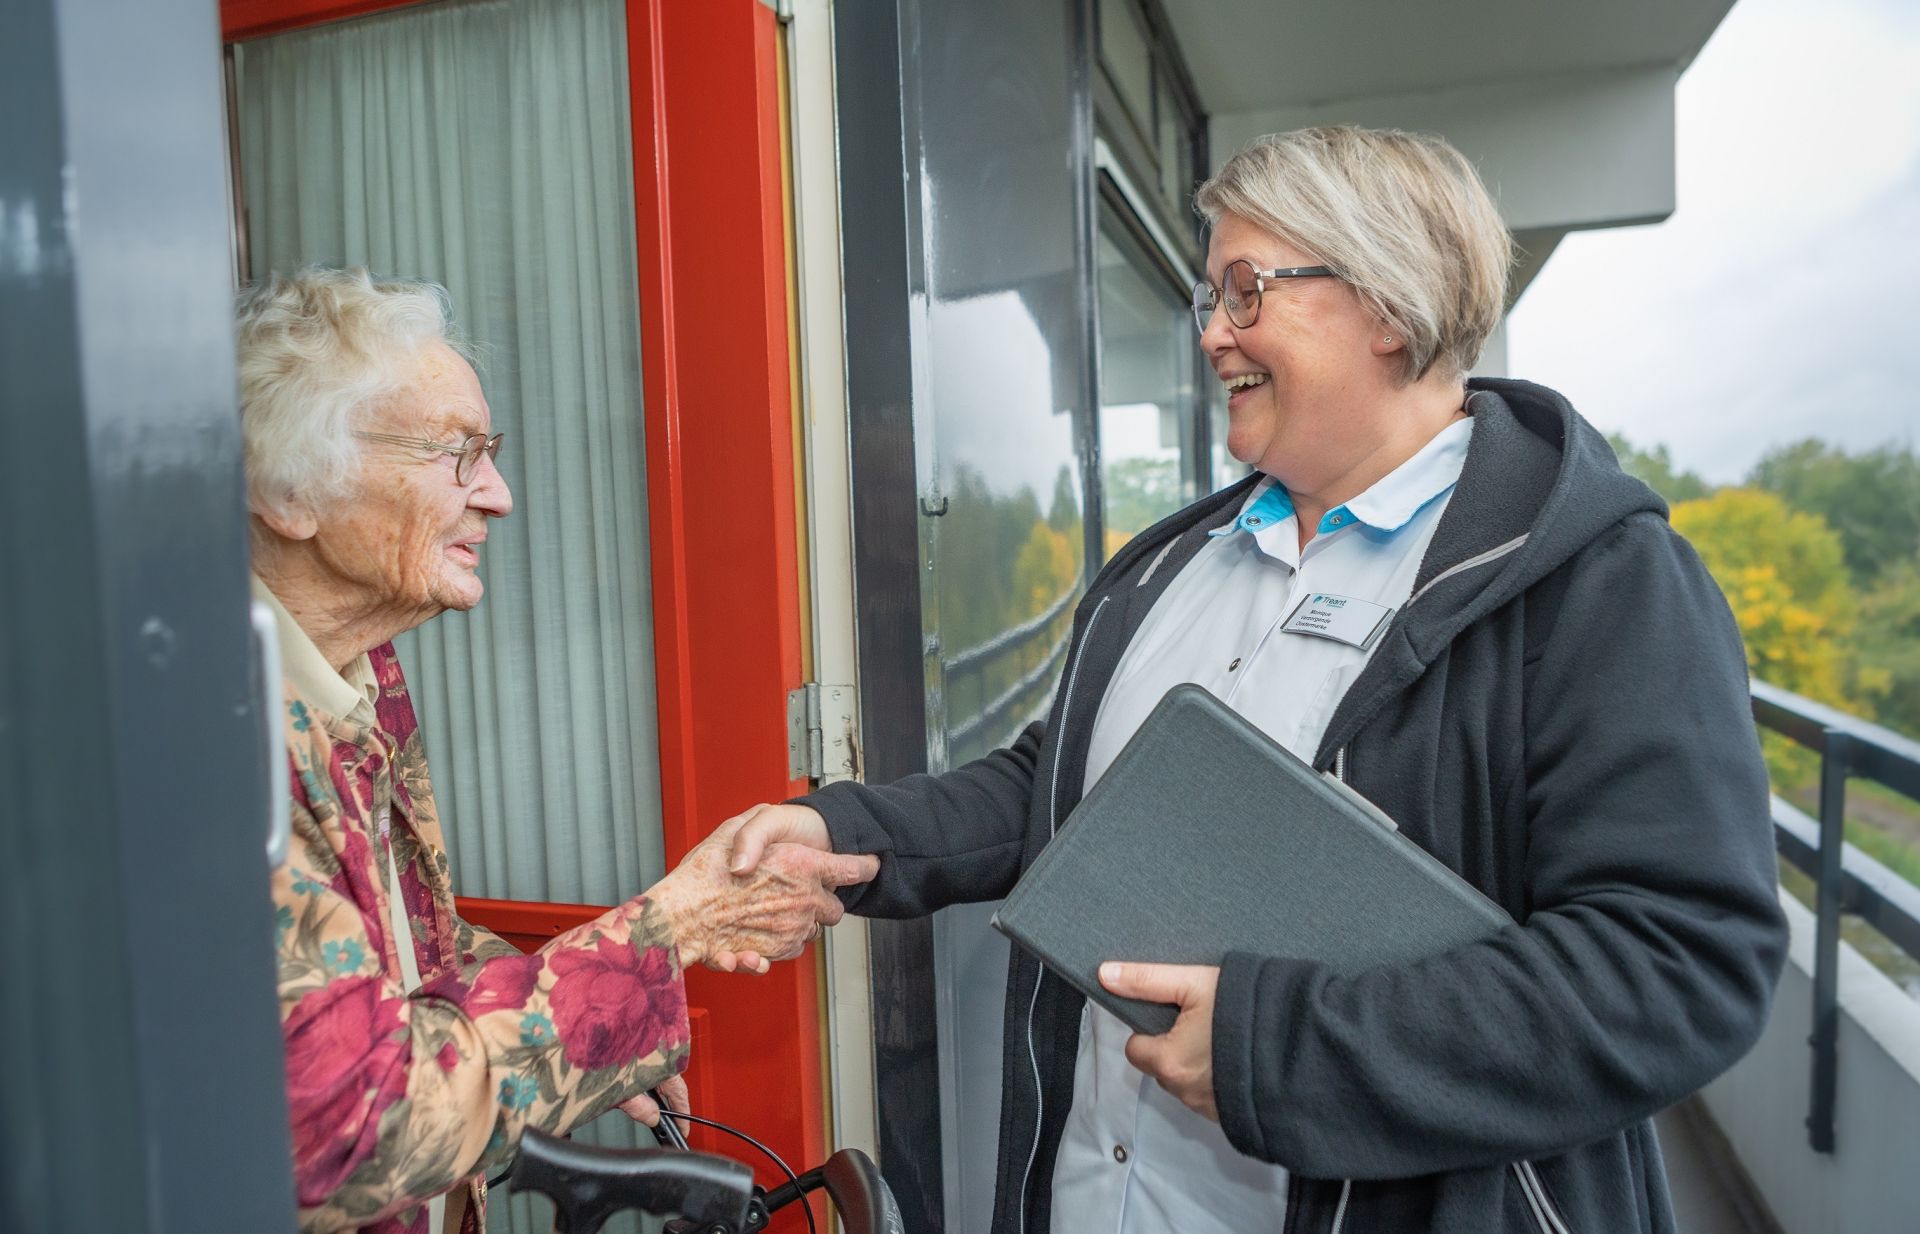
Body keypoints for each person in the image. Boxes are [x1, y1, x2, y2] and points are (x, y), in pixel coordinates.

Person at [719, 126, 1788, 1232]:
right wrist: (846, 835)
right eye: (1209, 298)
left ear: (1387, 304)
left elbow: (1679, 964)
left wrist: (1273, 1050)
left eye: (1246, 290)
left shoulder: (1601, 584)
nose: (1212, 334)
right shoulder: (1174, 566)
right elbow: (1069, 788)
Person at [242, 266, 877, 1234]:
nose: (497, 495)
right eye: (455, 453)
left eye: (489, 453)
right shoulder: (207, 732)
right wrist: (664, 934)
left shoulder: (362, 672)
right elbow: (351, 1130)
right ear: (287, 491)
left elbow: (409, 953)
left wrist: (590, 1023)